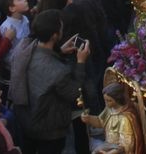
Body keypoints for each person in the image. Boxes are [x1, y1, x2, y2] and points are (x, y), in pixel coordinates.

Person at [12, 11, 90, 154]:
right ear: (55, 35)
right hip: (49, 129)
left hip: (26, 120)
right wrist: (81, 62)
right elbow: (73, 92)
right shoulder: (59, 72)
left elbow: (45, 66)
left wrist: (59, 51)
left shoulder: (25, 49)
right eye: (60, 28)